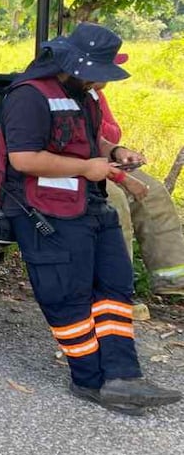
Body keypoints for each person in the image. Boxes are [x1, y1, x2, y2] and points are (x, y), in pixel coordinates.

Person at [0, 22, 181, 415]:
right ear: (73, 64)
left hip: (89, 203)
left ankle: (123, 377)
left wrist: (117, 153)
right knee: (68, 296)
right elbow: (23, 159)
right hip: (43, 207)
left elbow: (91, 140)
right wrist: (86, 170)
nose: (104, 82)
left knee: (115, 284)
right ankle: (89, 380)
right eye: (99, 72)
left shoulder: (86, 95)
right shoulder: (29, 96)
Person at [94, 56, 184, 296]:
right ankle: (116, 292)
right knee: (115, 203)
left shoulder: (93, 94)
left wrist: (118, 151)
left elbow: (107, 134)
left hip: (100, 163)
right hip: (70, 168)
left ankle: (173, 281)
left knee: (152, 192)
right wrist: (121, 178)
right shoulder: (50, 93)